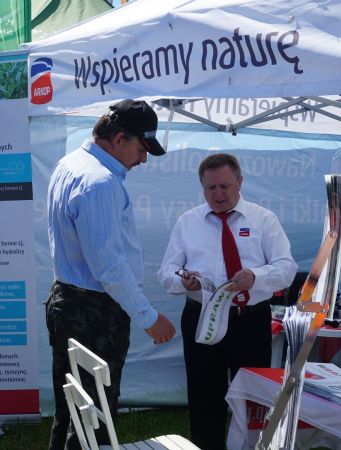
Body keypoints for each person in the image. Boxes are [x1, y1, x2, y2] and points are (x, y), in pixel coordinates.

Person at [46, 99, 177, 450]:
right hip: (94, 313)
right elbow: (109, 267)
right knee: (94, 418)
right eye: (141, 148)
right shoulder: (99, 182)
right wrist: (148, 315)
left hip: (72, 302)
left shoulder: (71, 164)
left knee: (72, 409)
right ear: (119, 138)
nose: (143, 159)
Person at [157, 153, 297, 450]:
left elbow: (287, 269)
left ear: (240, 182)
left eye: (224, 186)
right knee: (204, 396)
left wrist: (255, 277)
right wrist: (182, 281)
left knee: (252, 400)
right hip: (202, 318)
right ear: (202, 187)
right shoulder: (188, 222)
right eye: (211, 188)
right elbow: (165, 272)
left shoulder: (263, 220)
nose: (218, 194)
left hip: (248, 319)